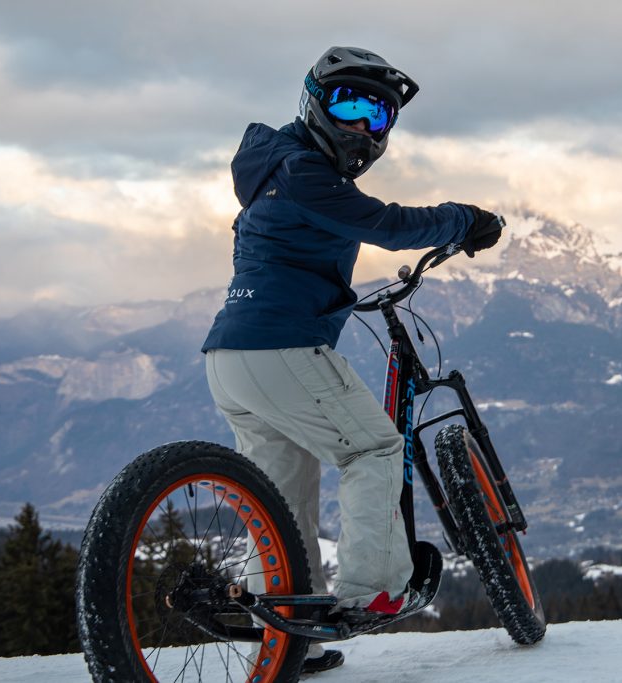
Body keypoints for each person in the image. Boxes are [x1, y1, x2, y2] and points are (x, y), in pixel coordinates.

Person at [201, 46, 503, 673]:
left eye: (381, 115)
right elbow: (389, 225)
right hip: (280, 346)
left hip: (230, 355)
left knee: (282, 499)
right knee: (374, 449)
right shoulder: (305, 172)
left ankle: (288, 638)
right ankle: (375, 590)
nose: (364, 127)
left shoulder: (270, 171)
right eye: (352, 105)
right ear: (315, 101)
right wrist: (464, 219)